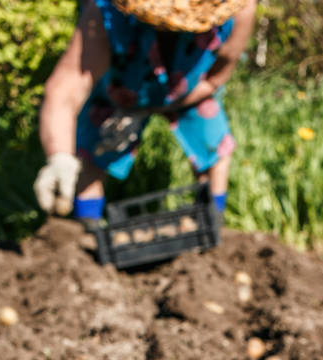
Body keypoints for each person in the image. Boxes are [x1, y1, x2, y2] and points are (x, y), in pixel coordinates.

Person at [34, 0, 256, 222]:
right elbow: (65, 90)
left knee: (214, 145)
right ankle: (86, 224)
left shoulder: (236, 10)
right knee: (91, 155)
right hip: (119, 87)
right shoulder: (105, 13)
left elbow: (215, 79)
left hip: (191, 89)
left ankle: (211, 222)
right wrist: (60, 157)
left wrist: (164, 105)